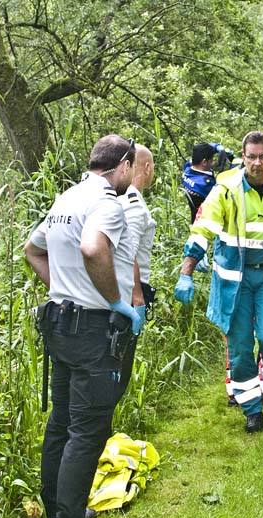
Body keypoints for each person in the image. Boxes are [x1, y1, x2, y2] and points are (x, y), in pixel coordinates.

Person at [24, 135, 145, 518]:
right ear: (124, 164)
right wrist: (116, 301)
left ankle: (59, 510)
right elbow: (94, 249)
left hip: (59, 322)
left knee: (61, 422)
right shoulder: (106, 200)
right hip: (93, 330)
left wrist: (63, 288)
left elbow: (33, 249)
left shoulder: (68, 198)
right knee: (87, 430)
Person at [174, 131, 263, 433]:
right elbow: (202, 228)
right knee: (240, 346)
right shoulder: (226, 189)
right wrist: (186, 272)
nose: (257, 163)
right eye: (252, 156)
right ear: (243, 157)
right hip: (235, 280)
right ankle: (251, 409)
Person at [117, 143, 156, 398]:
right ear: (147, 167)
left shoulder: (128, 198)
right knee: (120, 366)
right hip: (130, 294)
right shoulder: (133, 204)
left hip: (129, 292)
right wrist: (138, 299)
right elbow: (126, 252)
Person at [181, 143, 218, 224]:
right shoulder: (205, 184)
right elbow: (225, 194)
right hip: (205, 223)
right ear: (204, 162)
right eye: (212, 160)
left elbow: (199, 149)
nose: (213, 163)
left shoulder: (187, 171)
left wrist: (217, 147)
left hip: (195, 219)